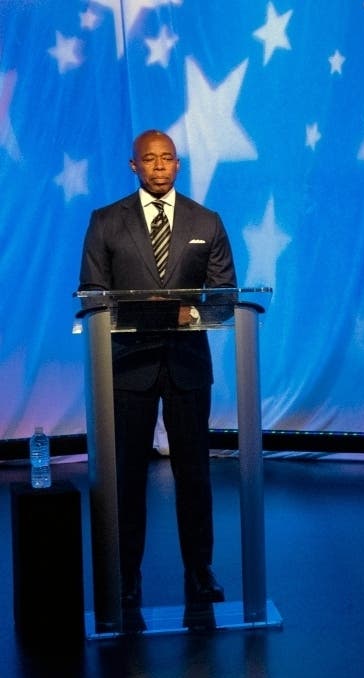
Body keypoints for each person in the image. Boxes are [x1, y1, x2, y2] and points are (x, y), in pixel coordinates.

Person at [79, 129, 237, 617]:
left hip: (188, 366)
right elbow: (91, 294)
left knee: (194, 476)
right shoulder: (106, 222)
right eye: (149, 159)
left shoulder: (205, 221)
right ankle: (126, 576)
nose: (159, 166)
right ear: (134, 167)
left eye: (167, 158)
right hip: (129, 367)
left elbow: (225, 295)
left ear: (178, 164)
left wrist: (187, 315)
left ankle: (200, 571)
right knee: (126, 477)